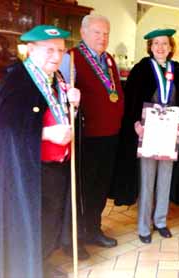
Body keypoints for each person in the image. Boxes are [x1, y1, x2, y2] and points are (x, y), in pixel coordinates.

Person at [0, 25, 81, 278]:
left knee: (50, 219)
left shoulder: (57, 78)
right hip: (30, 168)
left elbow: (58, 116)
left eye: (60, 50)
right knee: (30, 221)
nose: (56, 56)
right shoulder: (17, 80)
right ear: (30, 50)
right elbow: (6, 128)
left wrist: (74, 107)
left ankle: (42, 263)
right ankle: (28, 269)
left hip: (57, 165)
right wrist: (45, 134)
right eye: (49, 50)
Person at [114, 28, 179, 244]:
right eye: (156, 44)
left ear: (171, 47)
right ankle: (144, 226)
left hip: (171, 131)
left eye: (165, 43)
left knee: (165, 177)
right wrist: (135, 122)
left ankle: (161, 221)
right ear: (150, 47)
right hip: (148, 130)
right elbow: (132, 100)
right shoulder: (141, 69)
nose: (161, 47)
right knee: (147, 179)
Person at [60, 14, 123, 248]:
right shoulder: (72, 58)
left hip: (109, 135)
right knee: (81, 190)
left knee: (100, 188)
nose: (102, 37)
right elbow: (64, 98)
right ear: (84, 33)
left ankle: (94, 229)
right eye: (97, 32)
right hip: (86, 138)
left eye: (106, 33)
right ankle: (75, 238)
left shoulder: (108, 60)